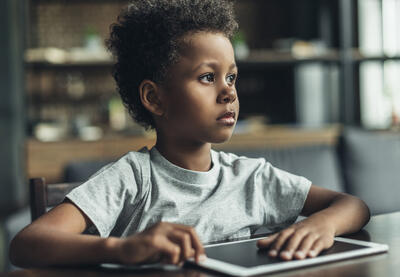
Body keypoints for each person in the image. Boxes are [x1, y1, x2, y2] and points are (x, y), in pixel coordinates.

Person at [10, 0, 370, 268]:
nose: (228, 92)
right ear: (154, 98)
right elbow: (27, 244)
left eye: (231, 77)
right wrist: (122, 248)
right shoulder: (133, 179)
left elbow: (354, 206)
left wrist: (323, 225)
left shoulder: (253, 178)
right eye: (207, 77)